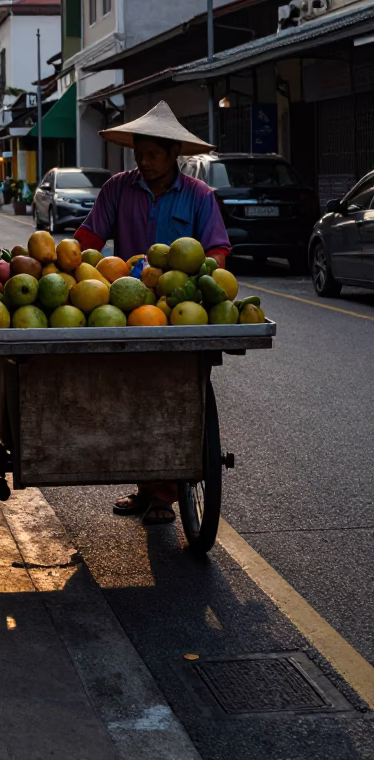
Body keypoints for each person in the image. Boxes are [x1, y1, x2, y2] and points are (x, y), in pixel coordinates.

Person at [74, 100, 231, 529]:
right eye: (139, 154)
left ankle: (165, 491)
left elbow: (217, 250)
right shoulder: (118, 189)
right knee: (128, 393)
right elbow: (89, 236)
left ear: (174, 155)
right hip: (126, 307)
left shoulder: (200, 197)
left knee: (171, 393)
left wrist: (209, 275)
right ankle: (147, 486)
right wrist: (67, 260)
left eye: (153, 155)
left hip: (181, 313)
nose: (144, 162)